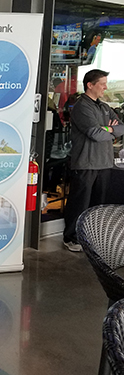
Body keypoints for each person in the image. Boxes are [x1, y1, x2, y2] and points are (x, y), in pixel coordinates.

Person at [63, 69, 124, 252]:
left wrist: (109, 129)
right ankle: (71, 238)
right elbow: (94, 134)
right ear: (90, 85)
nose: (105, 87)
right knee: (80, 203)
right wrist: (110, 130)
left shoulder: (104, 107)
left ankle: (91, 238)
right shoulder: (82, 107)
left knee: (97, 205)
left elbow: (121, 128)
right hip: (86, 164)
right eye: (102, 83)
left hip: (105, 163)